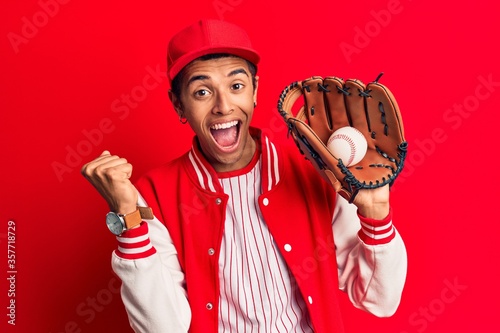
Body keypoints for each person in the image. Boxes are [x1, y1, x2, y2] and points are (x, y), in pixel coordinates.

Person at [81, 19, 407, 333]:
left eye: (236, 86)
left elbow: (379, 300)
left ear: (254, 90)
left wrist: (376, 212)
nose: (223, 106)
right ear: (178, 106)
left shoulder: (313, 168)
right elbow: (164, 327)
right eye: (202, 92)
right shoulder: (153, 195)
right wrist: (127, 218)